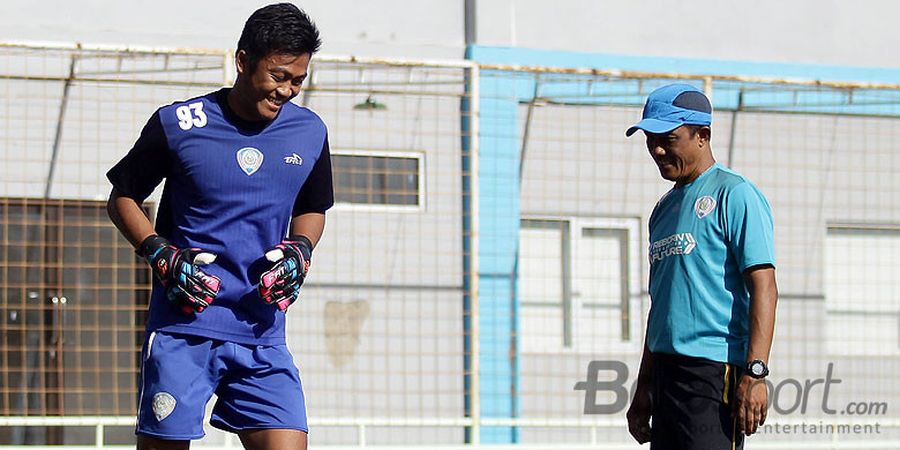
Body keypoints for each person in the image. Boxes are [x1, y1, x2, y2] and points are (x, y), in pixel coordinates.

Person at [106, 4, 332, 449]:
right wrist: (159, 252)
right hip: (183, 329)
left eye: (298, 80)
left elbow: (313, 207)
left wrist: (301, 249)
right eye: (278, 75)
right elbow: (122, 198)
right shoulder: (179, 123)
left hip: (262, 332)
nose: (287, 90)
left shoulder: (310, 131)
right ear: (243, 61)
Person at [624, 84, 778, 450]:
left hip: (712, 371)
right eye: (651, 139)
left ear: (702, 136)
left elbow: (764, 287)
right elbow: (661, 305)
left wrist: (756, 373)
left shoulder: (734, 193)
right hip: (665, 374)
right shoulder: (663, 210)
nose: (657, 149)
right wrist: (644, 385)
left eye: (669, 138)